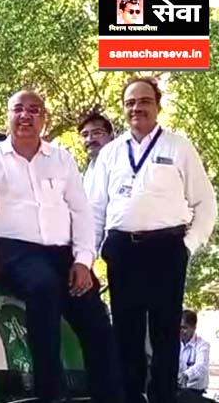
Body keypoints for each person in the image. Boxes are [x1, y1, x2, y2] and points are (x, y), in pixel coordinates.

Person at [0, 90, 123, 403]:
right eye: (18, 109)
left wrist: (82, 261)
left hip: (63, 254)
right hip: (14, 252)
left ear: (44, 118)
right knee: (44, 288)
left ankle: (110, 397)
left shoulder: (61, 158)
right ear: (8, 115)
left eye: (34, 110)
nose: (26, 115)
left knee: (93, 314)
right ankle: (52, 395)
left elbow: (81, 211)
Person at [88, 76, 217, 403]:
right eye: (130, 102)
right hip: (122, 251)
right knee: (126, 335)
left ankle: (163, 398)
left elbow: (205, 203)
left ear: (158, 105)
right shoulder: (111, 154)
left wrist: (187, 247)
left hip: (167, 251)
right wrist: (87, 256)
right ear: (123, 108)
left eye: (144, 101)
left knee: (164, 335)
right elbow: (94, 210)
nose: (137, 108)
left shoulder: (179, 147)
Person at [177, 310, 211, 402]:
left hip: (195, 392)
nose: (180, 331)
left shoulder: (202, 345)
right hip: (178, 391)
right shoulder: (174, 344)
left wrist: (185, 376)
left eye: (184, 328)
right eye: (179, 327)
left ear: (194, 328)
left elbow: (201, 366)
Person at [78, 110, 114, 190]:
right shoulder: (90, 169)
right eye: (85, 135)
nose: (89, 139)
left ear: (111, 135)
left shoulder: (120, 162)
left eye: (96, 133)